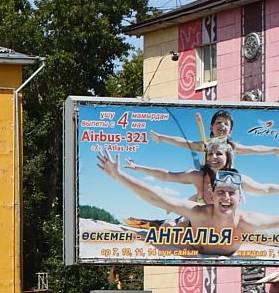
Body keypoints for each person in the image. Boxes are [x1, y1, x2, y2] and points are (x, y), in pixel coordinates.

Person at [97, 150, 279, 255]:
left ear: (240, 198)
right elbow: (156, 197)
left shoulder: (248, 221)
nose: (226, 197)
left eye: (232, 193)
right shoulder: (199, 212)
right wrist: (119, 176)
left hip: (214, 247)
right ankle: (164, 224)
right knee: (170, 228)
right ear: (212, 195)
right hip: (188, 236)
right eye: (221, 192)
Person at [123, 137, 279, 204]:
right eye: (210, 154)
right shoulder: (198, 176)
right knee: (172, 227)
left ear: (228, 157)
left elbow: (265, 189)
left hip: (224, 233)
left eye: (218, 154)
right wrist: (138, 167)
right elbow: (166, 176)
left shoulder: (236, 179)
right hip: (199, 229)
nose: (213, 157)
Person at [150, 109, 279, 158]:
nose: (222, 126)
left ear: (230, 131)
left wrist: (274, 149)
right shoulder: (206, 145)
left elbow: (254, 149)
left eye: (226, 124)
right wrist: (162, 137)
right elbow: (184, 142)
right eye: (219, 123)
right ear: (211, 127)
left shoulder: (232, 147)